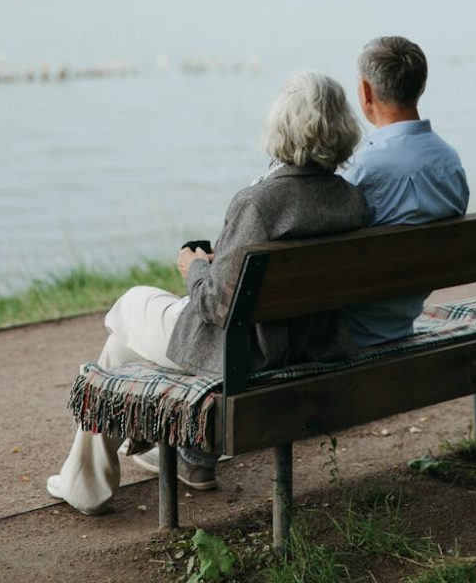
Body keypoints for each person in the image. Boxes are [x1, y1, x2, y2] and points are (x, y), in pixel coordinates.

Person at [47, 71, 368, 514]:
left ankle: (93, 483)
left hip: (245, 353)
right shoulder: (352, 200)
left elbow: (216, 306)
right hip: (306, 343)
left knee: (129, 307)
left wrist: (194, 266)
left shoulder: (256, 202)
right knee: (119, 349)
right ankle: (175, 461)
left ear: (281, 127)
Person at [342, 36, 469, 348]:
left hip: (349, 329)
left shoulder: (362, 171)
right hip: (405, 317)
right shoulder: (450, 163)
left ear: (365, 91)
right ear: (421, 87)